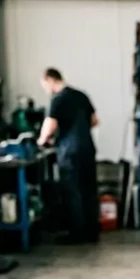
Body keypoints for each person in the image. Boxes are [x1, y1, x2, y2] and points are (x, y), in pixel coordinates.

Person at [38, 68, 99, 244]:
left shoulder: (57, 99)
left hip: (69, 151)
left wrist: (41, 141)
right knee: (89, 189)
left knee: (72, 191)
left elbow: (49, 124)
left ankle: (78, 234)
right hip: (87, 148)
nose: (45, 89)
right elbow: (95, 121)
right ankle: (92, 232)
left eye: (44, 85)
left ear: (50, 80)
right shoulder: (82, 96)